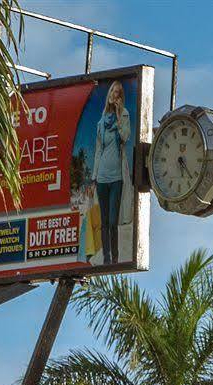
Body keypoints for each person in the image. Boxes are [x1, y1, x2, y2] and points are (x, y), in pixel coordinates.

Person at [91, 82, 132, 266]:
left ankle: (115, 258)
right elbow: (98, 150)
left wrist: (118, 116)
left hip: (117, 177)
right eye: (113, 93)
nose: (115, 96)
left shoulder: (124, 115)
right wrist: (94, 176)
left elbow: (125, 137)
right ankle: (106, 258)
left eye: (118, 94)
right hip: (102, 176)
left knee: (113, 220)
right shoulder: (100, 123)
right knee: (104, 221)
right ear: (109, 95)